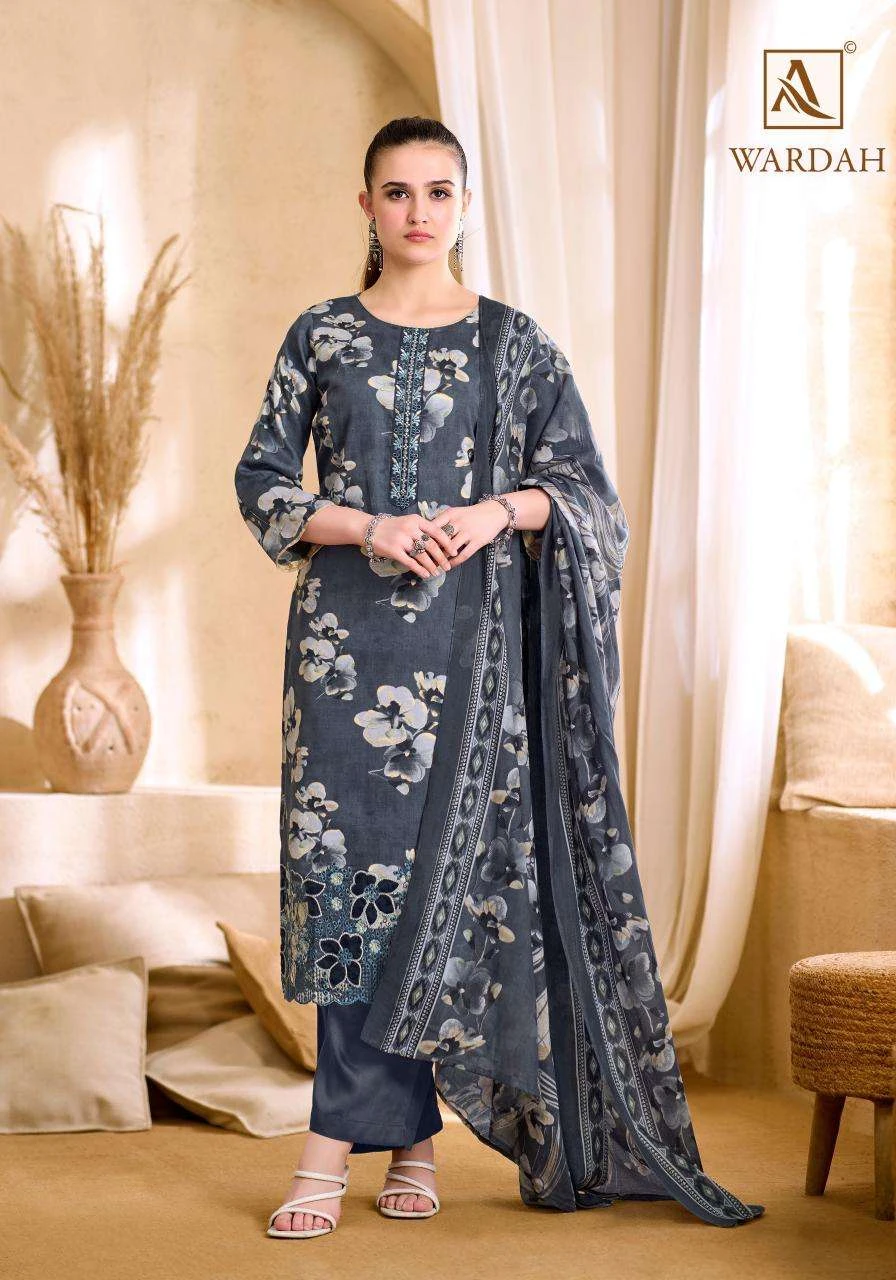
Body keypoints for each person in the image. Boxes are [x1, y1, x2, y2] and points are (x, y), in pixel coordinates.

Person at [234, 115, 766, 1240]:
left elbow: (585, 495)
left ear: (464, 204)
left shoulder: (513, 344)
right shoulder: (321, 335)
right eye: (397, 192)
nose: (418, 211)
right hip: (343, 654)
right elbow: (263, 483)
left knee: (444, 884)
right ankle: (392, 1137)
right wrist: (371, 526)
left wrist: (493, 511)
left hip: (475, 659)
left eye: (438, 191)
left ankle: (356, 1144)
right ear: (366, 206)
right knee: (350, 895)